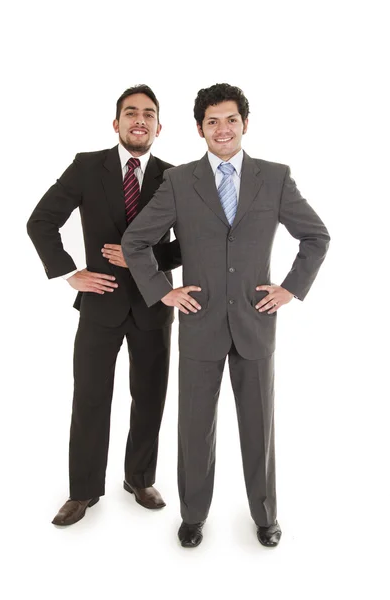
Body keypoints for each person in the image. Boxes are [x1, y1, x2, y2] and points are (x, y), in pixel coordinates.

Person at [121, 83, 330, 548]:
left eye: (231, 119)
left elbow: (316, 236)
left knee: (260, 428)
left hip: (256, 323)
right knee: (195, 429)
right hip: (200, 323)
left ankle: (266, 516)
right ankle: (193, 515)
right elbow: (136, 241)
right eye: (212, 121)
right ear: (199, 129)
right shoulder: (179, 182)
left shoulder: (274, 178)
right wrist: (163, 292)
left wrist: (291, 289)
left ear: (245, 125)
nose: (222, 129)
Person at [27, 84, 181, 526]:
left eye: (148, 113)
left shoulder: (174, 177)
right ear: (116, 124)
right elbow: (40, 221)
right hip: (100, 301)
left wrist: (144, 258)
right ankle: (82, 491)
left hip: (153, 304)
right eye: (131, 112)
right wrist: (67, 272)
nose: (139, 119)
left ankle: (139, 477)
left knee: (150, 397)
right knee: (91, 397)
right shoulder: (86, 167)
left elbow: (188, 244)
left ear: (158, 126)